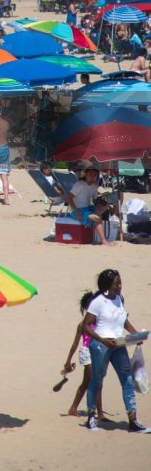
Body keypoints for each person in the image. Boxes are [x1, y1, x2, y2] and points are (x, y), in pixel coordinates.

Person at [83, 269, 150, 432]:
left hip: (119, 344)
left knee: (127, 379)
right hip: (101, 346)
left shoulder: (120, 299)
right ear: (107, 286)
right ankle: (91, 416)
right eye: (117, 283)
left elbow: (124, 321)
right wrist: (101, 339)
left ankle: (133, 419)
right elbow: (85, 326)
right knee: (97, 381)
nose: (120, 286)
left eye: (120, 282)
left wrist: (136, 335)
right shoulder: (97, 302)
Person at [60, 289, 104, 420]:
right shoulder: (82, 324)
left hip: (96, 351)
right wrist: (68, 361)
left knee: (91, 382)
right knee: (93, 380)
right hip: (86, 352)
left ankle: (75, 408)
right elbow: (75, 344)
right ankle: (98, 413)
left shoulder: (99, 321)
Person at [65, 166, 112, 246]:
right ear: (85, 175)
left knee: (106, 206)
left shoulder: (95, 186)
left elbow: (94, 200)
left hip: (87, 207)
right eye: (90, 174)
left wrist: (105, 201)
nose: (92, 177)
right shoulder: (79, 185)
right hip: (77, 210)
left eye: (94, 175)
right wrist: (77, 212)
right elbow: (68, 198)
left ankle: (95, 218)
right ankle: (104, 241)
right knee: (97, 218)